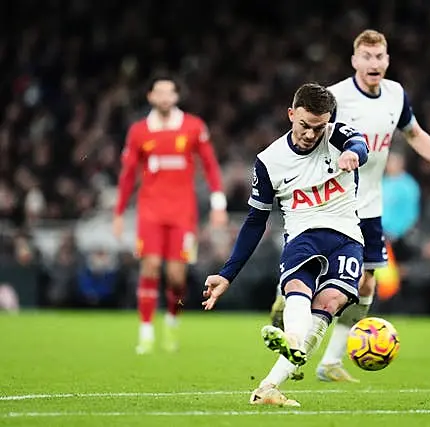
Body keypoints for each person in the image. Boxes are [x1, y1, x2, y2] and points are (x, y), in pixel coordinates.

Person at [269, 29, 430, 382]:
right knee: (322, 278)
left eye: (380, 57)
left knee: (365, 285)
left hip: (371, 205)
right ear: (355, 60)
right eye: (367, 57)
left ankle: (329, 362)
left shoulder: (395, 95)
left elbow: (415, 133)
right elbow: (307, 139)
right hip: (333, 202)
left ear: (387, 60)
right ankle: (294, 322)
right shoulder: (337, 97)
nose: (374, 63)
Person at [202, 83, 369, 406]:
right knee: (298, 286)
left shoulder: (336, 136)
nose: (310, 134)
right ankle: (292, 336)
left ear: (329, 121)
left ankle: (267, 387)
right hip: (303, 233)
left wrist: (352, 153)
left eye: (318, 127)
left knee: (331, 303)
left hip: (347, 236)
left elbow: (358, 144)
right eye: (304, 125)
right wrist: (228, 274)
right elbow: (254, 222)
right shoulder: (269, 161)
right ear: (291, 114)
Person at [113, 76, 228, 355]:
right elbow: (128, 175)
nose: (165, 97)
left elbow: (210, 165)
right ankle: (146, 331)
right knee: (150, 267)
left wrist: (218, 202)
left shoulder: (193, 126)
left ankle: (173, 319)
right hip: (150, 212)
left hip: (182, 214)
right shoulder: (139, 131)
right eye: (159, 92)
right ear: (151, 96)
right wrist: (118, 211)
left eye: (170, 92)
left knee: (177, 277)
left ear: (176, 97)